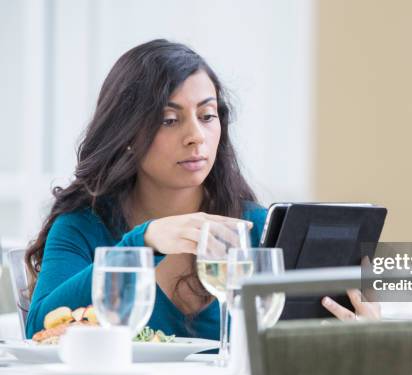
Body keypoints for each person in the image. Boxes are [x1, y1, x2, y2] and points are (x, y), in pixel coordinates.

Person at [25, 39, 377, 340]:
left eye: (207, 116)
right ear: (127, 133)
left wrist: (365, 333)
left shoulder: (258, 231)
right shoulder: (83, 226)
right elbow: (37, 327)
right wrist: (141, 243)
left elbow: (295, 354)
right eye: (169, 120)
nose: (196, 136)